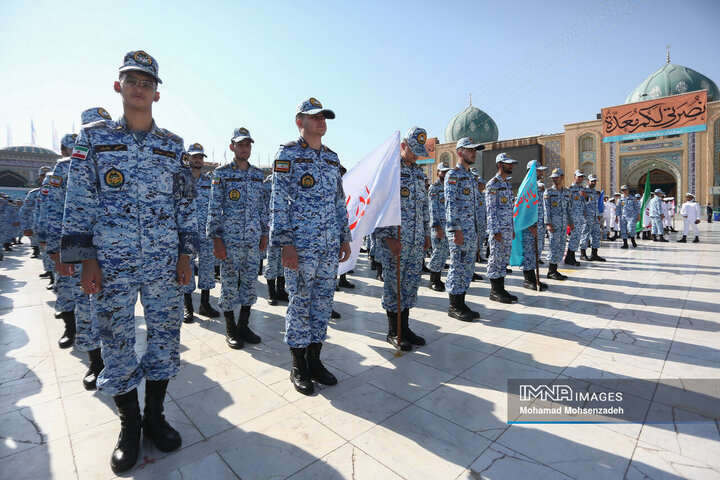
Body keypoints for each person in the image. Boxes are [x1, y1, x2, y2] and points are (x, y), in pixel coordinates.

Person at [61, 50, 197, 473]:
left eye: (147, 82)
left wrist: (185, 254)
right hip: (111, 262)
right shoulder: (95, 140)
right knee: (117, 341)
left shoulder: (172, 146)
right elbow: (79, 199)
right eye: (132, 80)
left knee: (163, 338)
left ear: (157, 93)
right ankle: (129, 424)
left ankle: (154, 416)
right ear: (118, 86)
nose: (139, 87)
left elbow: (185, 205)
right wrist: (85, 258)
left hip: (161, 263)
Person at [269, 97, 351, 395]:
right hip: (300, 247)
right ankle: (298, 366)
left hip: (329, 245)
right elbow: (278, 202)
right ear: (299, 122)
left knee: (323, 304)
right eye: (315, 117)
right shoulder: (287, 154)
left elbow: (339, 202)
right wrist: (285, 243)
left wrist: (345, 236)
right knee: (300, 303)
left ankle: (315, 361)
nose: (321, 121)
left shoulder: (331, 158)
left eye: (324, 117)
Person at [47, 109, 110, 387]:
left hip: (113, 248)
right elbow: (54, 211)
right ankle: (95, 362)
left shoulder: (115, 158)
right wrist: (56, 249)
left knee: (110, 309)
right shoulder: (64, 167)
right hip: (80, 248)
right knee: (84, 304)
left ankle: (114, 358)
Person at [208, 128, 266, 348]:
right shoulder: (221, 174)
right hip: (230, 241)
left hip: (252, 240)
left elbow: (261, 207)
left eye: (248, 145)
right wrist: (216, 239)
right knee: (229, 284)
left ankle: (244, 325)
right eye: (241, 144)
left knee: (250, 283)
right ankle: (231, 329)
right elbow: (214, 209)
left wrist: (263, 232)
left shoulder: (257, 175)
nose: (245, 148)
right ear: (232, 147)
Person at [375, 127, 430, 347]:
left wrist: (426, 234)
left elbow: (424, 207)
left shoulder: (418, 173)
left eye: (419, 152)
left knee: (409, 284)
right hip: (395, 241)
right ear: (403, 145)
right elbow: (380, 207)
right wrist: (389, 237)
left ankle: (405, 328)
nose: (416, 155)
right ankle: (393, 331)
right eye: (413, 150)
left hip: (416, 241)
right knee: (393, 285)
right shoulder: (390, 171)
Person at [445, 138, 484, 318]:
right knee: (458, 266)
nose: (474, 153)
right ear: (460, 153)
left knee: (467, 267)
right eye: (470, 150)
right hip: (460, 231)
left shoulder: (470, 176)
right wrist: (456, 230)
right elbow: (450, 204)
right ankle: (454, 306)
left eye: (475, 150)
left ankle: (462, 302)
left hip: (471, 230)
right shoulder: (453, 175)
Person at [182, 142, 220, 323]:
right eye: (194, 156)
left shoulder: (209, 182)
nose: (198, 159)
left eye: (200, 157)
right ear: (187, 158)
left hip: (206, 232)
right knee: (186, 268)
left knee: (207, 267)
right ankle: (187, 307)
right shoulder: (182, 180)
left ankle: (204, 304)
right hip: (187, 233)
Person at [485, 152, 518, 302]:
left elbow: (510, 209)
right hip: (498, 230)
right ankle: (494, 291)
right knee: (495, 259)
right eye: (508, 163)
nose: (511, 166)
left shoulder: (507, 184)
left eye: (511, 164)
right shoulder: (493, 184)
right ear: (500, 165)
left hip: (507, 229)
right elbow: (491, 209)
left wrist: (511, 228)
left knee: (504, 259)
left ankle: (501, 289)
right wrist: (495, 231)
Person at [520, 160, 548, 291]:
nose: (541, 172)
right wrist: (530, 226)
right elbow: (521, 209)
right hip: (529, 228)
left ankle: (534, 279)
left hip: (539, 226)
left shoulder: (537, 186)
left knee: (535, 252)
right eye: (539, 170)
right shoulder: (527, 187)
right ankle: (528, 280)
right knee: (529, 253)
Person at [263, 174, 289, 305]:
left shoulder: (288, 181)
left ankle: (281, 290)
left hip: (285, 227)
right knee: (272, 259)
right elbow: (262, 206)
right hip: (271, 227)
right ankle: (271, 292)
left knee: (282, 260)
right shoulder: (267, 184)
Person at [544, 168, 571, 280]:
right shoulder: (548, 192)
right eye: (553, 177)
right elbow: (546, 209)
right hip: (554, 225)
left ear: (562, 177)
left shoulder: (567, 192)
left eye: (557, 177)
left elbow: (569, 208)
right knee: (554, 246)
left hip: (564, 224)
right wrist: (548, 223)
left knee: (561, 247)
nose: (555, 179)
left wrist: (571, 222)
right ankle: (551, 271)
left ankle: (555, 269)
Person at [427, 162, 450, 291]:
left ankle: (439, 278)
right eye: (443, 172)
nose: (445, 174)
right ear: (438, 173)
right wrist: (436, 226)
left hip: (448, 225)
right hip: (438, 226)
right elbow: (432, 208)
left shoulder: (448, 187)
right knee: (437, 251)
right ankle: (433, 280)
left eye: (447, 171)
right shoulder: (434, 188)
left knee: (444, 252)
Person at [579, 174, 606, 261]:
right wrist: (582, 213)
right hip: (586, 217)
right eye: (592, 181)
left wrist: (598, 215)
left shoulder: (595, 192)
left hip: (595, 217)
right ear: (588, 181)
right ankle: (583, 254)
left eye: (595, 181)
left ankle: (594, 254)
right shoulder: (583, 191)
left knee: (596, 235)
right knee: (585, 235)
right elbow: (580, 203)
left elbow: (597, 205)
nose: (594, 183)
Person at [565, 170, 587, 266]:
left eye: (582, 177)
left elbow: (586, 202)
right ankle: (571, 257)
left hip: (580, 217)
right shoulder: (569, 189)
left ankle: (569, 257)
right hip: (573, 217)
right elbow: (566, 204)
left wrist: (586, 197)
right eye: (579, 177)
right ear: (574, 177)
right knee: (574, 237)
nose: (580, 178)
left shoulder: (582, 189)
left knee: (577, 237)